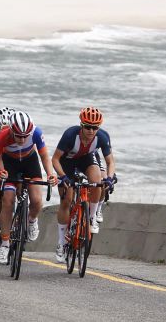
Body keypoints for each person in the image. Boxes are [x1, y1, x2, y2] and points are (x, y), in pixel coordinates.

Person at [52, 107, 116, 262]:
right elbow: (55, 159)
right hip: (67, 162)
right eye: (87, 126)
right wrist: (62, 177)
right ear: (81, 125)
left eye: (95, 127)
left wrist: (109, 177)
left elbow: (110, 162)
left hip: (86, 159)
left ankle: (92, 217)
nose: (91, 130)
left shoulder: (101, 137)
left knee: (97, 183)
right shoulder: (70, 135)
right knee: (67, 200)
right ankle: (61, 242)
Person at [0, 111, 56, 264]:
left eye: (25, 136)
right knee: (7, 199)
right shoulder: (1, 136)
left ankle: (32, 220)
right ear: (12, 131)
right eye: (18, 136)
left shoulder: (36, 132)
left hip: (30, 161)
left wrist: (50, 174)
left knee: (36, 200)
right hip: (10, 163)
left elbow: (45, 156)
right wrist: (1, 171)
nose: (22, 139)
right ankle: (5, 244)